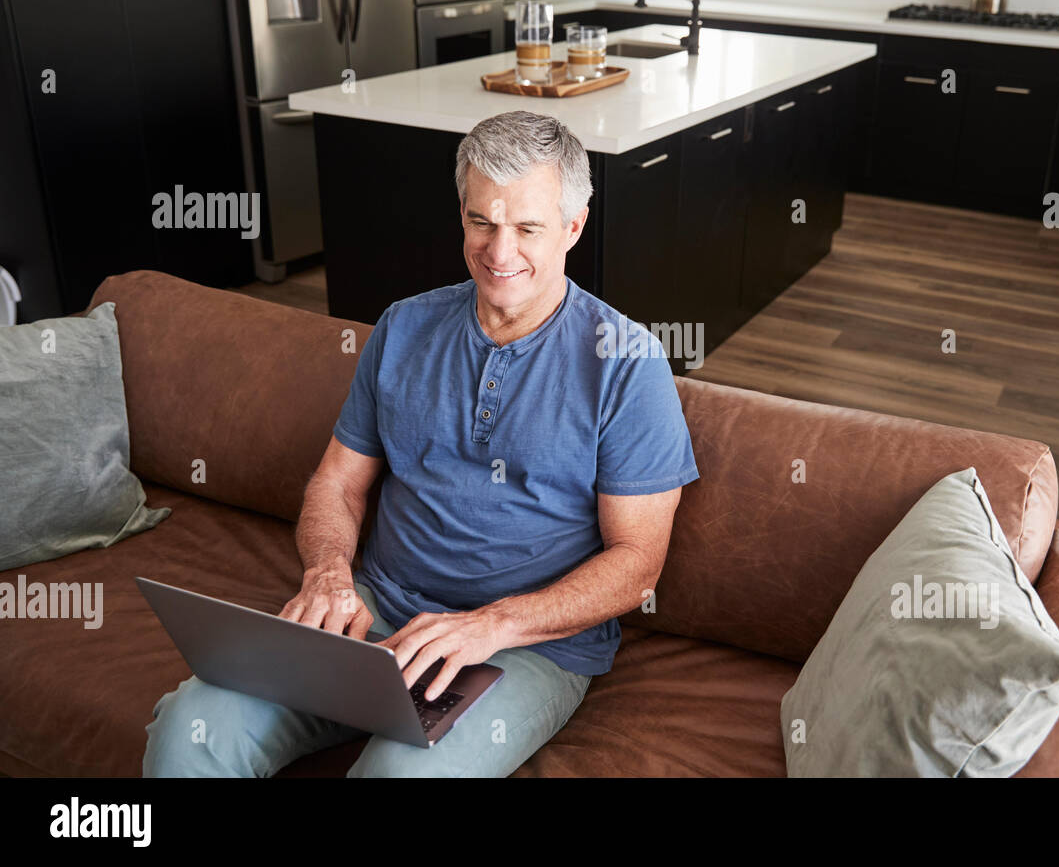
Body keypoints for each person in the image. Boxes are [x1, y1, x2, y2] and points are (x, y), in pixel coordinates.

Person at [143, 110, 699, 777]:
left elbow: (637, 564)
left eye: (527, 228)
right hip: (377, 613)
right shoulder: (404, 327)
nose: (499, 253)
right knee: (191, 730)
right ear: (461, 214)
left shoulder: (627, 364)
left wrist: (490, 624)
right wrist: (328, 572)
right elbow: (338, 482)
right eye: (481, 222)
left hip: (523, 646)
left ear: (573, 227)